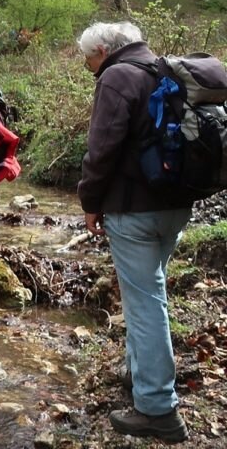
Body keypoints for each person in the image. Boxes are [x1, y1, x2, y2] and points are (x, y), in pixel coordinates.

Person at [76, 22, 190, 443]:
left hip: (133, 210)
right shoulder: (163, 69)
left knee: (145, 305)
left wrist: (90, 201)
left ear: (102, 50)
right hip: (176, 206)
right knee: (150, 293)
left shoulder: (117, 76)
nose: (87, 67)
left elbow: (102, 148)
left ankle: (158, 409)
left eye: (87, 59)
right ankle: (140, 374)